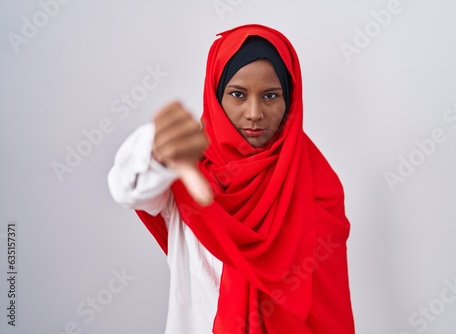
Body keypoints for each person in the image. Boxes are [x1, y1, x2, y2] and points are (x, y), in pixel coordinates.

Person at [108, 24, 355, 334]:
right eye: (237, 94)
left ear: (290, 101)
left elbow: (327, 310)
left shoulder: (319, 187)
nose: (254, 113)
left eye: (270, 96)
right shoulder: (183, 176)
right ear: (215, 95)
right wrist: (158, 148)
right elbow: (127, 188)